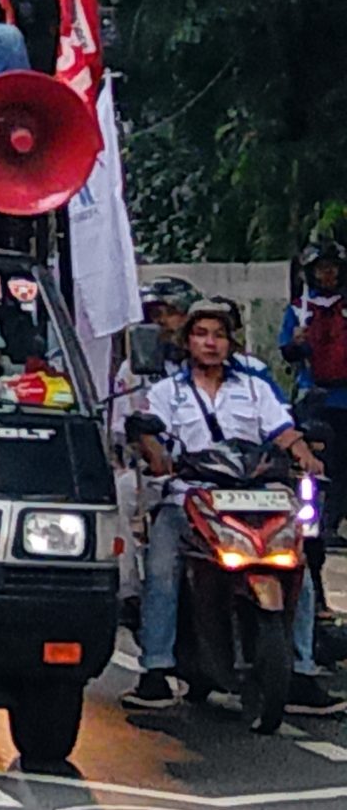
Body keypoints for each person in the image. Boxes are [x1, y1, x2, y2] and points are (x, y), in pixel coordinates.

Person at [124, 299, 340, 715]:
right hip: (190, 495)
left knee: (298, 569)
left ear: (230, 343)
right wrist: (153, 451)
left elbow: (282, 431)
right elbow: (150, 440)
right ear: (188, 342)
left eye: (219, 336)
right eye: (202, 335)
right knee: (162, 568)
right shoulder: (167, 392)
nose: (211, 343)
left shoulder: (254, 386)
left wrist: (305, 454)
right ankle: (155, 669)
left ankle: (302, 669)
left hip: (259, 497)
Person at [281, 239, 347, 544]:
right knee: (314, 463)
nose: (328, 274)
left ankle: (329, 523)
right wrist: (297, 341)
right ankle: (315, 523)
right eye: (322, 269)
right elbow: (289, 353)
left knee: (340, 463)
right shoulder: (299, 310)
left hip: (334, 396)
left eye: (332, 268)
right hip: (315, 397)